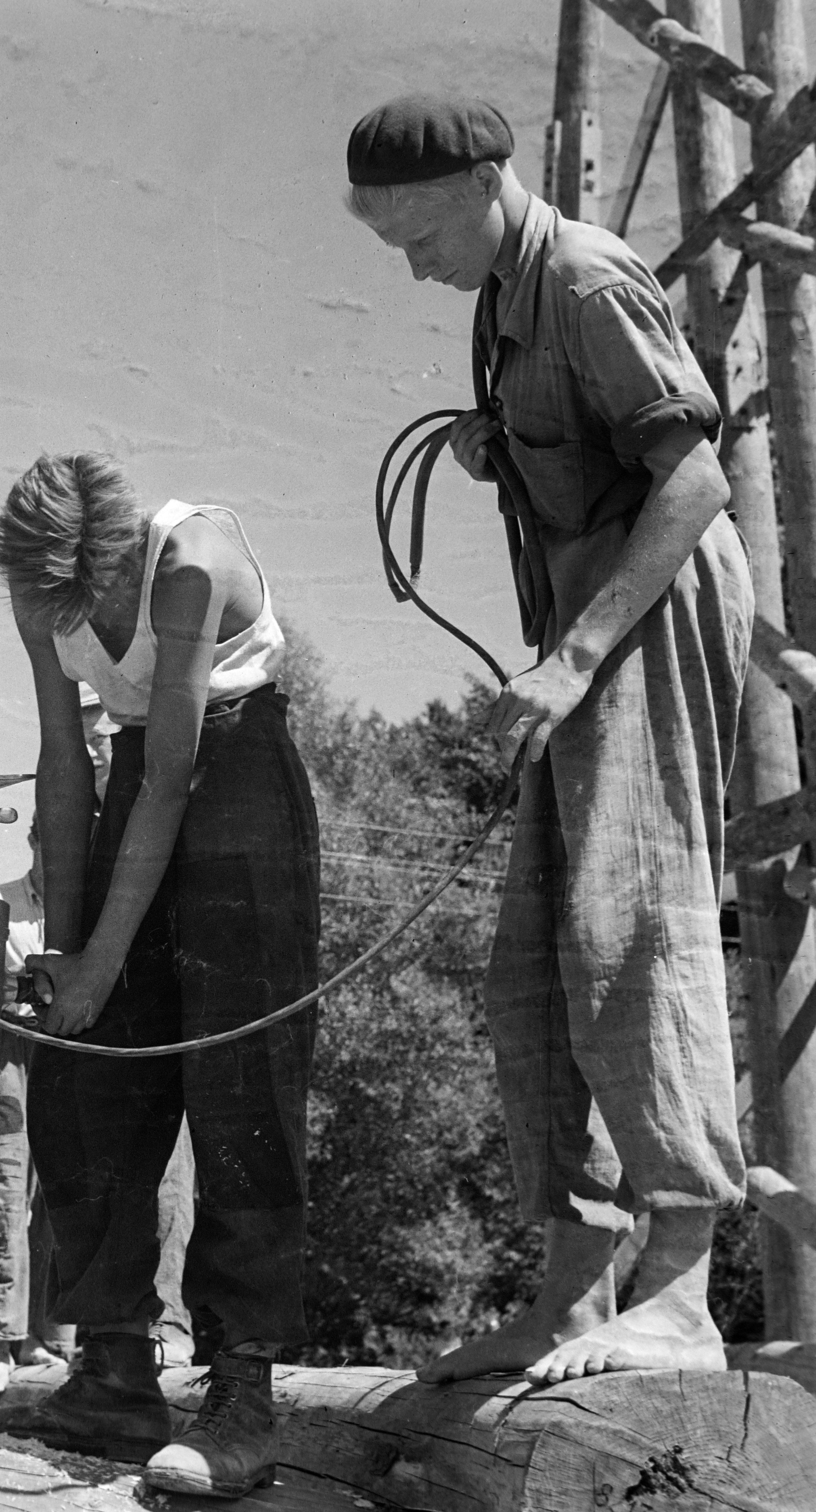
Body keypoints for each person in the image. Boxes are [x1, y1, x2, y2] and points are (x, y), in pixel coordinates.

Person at [346, 95, 751, 1387]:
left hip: (651, 605)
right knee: (532, 959)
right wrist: (494, 455)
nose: (409, 262)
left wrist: (576, 663)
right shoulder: (499, 306)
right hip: (580, 631)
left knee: (630, 923)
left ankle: (682, 1293)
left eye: (415, 230)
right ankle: (576, 1292)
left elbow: (694, 480)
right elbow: (579, 456)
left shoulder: (582, 277)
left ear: (483, 183)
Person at [0, 453, 320, 1501]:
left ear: (126, 548)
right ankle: (114, 1365)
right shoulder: (44, 590)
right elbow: (62, 763)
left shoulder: (190, 558)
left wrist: (103, 960)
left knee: (237, 1080)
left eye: (94, 594)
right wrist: (67, 953)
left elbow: (174, 782)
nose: (76, 614)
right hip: (133, 772)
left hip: (237, 780)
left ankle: (241, 1390)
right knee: (84, 1070)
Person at [0, 820, 73, 1399]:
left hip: (69, 1049)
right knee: (5, 1185)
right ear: (34, 841)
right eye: (48, 842)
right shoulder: (1, 903)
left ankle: (49, 1337)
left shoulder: (89, 909)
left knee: (64, 1194)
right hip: (8, 1049)